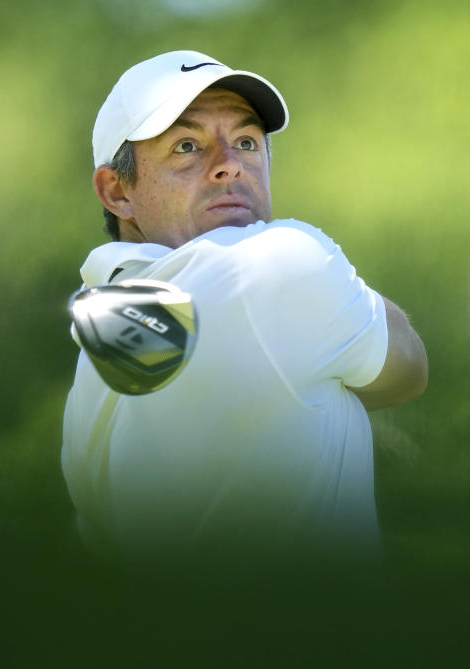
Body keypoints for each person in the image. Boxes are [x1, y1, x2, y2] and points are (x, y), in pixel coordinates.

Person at [61, 50, 428, 565]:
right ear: (117, 191)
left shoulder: (100, 340)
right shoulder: (277, 265)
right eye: (187, 146)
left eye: (247, 142)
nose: (229, 164)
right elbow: (409, 367)